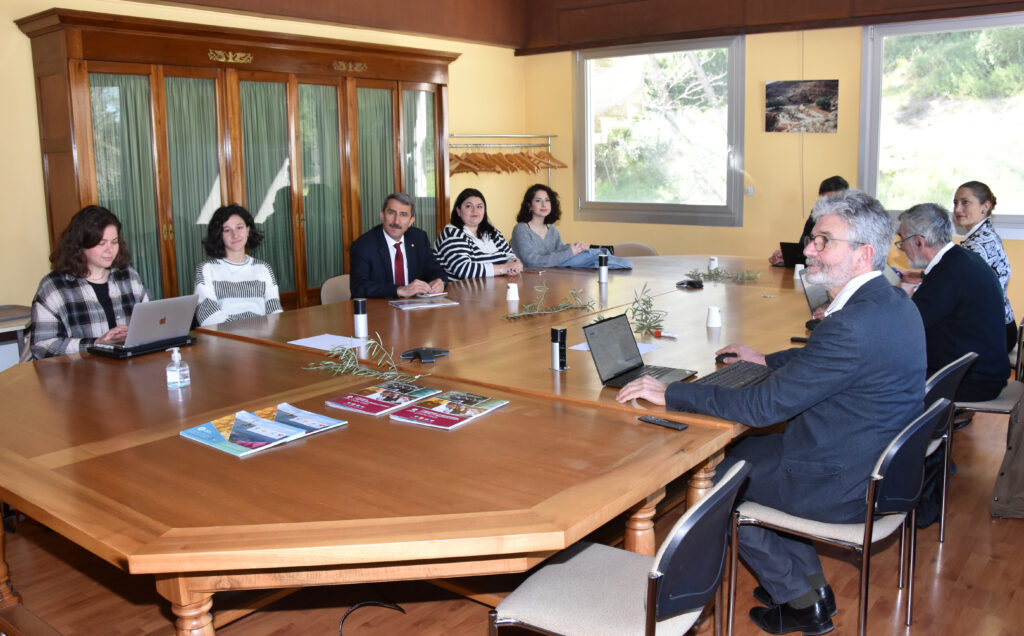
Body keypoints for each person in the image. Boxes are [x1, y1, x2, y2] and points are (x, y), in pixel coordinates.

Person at [617, 189, 925, 635]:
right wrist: (766, 361)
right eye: (814, 238)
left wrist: (673, 394)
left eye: (824, 241)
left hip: (842, 482)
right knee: (754, 453)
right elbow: (826, 361)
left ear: (864, 254)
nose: (810, 249)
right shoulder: (891, 301)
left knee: (724, 477)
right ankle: (806, 586)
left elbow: (764, 407)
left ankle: (800, 598)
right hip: (876, 465)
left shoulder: (852, 325)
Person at [897, 202, 1008, 402]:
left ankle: (924, 430)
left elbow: (908, 326)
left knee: (880, 378)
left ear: (919, 242)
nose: (901, 246)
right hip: (986, 372)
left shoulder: (947, 273)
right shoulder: (960, 259)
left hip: (973, 380)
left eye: (902, 239)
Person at [29, 205, 150, 359]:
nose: (110, 250)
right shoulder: (54, 287)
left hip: (130, 368)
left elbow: (149, 323)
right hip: (81, 375)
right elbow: (42, 346)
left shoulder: (128, 276)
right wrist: (96, 343)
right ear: (81, 245)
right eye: (101, 243)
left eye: (114, 242)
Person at [194, 204, 283, 327]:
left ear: (248, 229)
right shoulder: (206, 269)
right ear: (219, 235)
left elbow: (275, 311)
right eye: (227, 230)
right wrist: (245, 331)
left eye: (239, 227)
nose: (235, 235)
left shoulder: (263, 268)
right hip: (225, 339)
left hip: (262, 337)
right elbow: (207, 314)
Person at [952, 181, 1015, 351]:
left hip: (995, 333)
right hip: (1003, 325)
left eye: (965, 202)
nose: (957, 209)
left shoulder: (979, 243)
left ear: (985, 206)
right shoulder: (983, 234)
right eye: (955, 203)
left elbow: (958, 291)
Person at [510, 184, 631, 269]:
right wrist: (570, 252)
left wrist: (574, 248)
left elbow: (557, 252)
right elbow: (532, 262)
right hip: (527, 281)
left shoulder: (551, 229)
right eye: (538, 200)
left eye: (547, 200)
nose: (544, 204)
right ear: (529, 205)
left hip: (550, 276)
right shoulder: (521, 229)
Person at [349, 192, 447, 298]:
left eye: (403, 215)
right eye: (391, 213)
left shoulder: (419, 238)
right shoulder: (363, 246)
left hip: (414, 307)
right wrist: (399, 290)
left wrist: (438, 281)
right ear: (382, 215)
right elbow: (358, 288)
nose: (396, 221)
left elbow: (435, 269)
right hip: (378, 309)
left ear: (411, 221)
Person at [432, 188, 522, 280]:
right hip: (460, 293)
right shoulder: (452, 233)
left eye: (479, 206)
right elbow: (464, 270)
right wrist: (503, 268)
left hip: (495, 289)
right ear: (458, 211)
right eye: (468, 206)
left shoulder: (493, 232)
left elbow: (510, 256)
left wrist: (514, 264)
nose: (475, 211)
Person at [768, 175, 849, 266]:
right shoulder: (816, 213)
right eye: (824, 200)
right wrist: (787, 257)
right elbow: (803, 245)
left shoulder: (852, 221)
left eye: (832, 200)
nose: (827, 205)